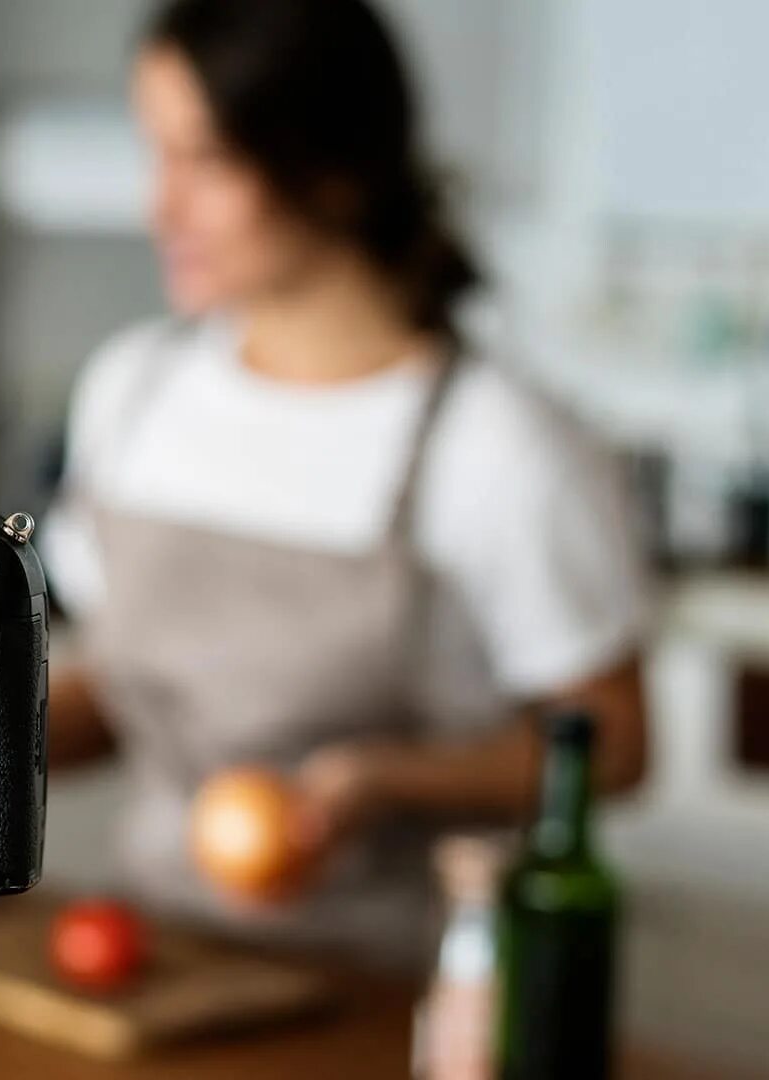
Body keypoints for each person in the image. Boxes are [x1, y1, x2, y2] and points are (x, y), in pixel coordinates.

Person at [44, 0, 649, 968]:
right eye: (155, 154)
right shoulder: (135, 388)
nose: (159, 207)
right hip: (154, 960)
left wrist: (385, 780)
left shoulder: (500, 446)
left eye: (203, 161)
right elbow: (122, 689)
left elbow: (613, 743)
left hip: (390, 987)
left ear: (329, 170)